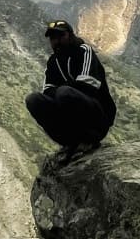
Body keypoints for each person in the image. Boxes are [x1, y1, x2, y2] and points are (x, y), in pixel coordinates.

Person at [26, 19, 116, 163]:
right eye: (53, 38)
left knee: (64, 93)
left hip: (97, 120)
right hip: (70, 120)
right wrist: (62, 90)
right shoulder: (53, 62)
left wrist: (61, 90)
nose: (56, 41)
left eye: (61, 36)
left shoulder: (84, 51)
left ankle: (88, 140)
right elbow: (47, 90)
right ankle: (69, 142)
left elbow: (88, 85)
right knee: (33, 100)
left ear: (70, 35)